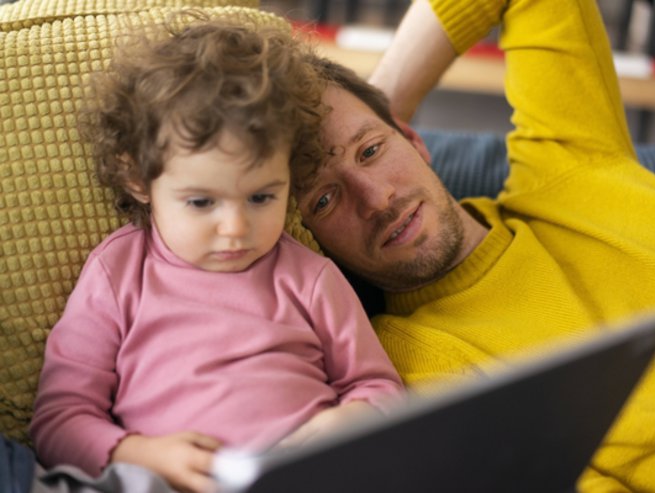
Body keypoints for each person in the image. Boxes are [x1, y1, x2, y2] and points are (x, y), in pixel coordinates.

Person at [292, 0, 655, 491]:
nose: (377, 199)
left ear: (412, 138)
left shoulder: (565, 162)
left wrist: (383, 96)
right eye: (326, 199)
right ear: (310, 238)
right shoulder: (413, 364)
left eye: (372, 150)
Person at [29, 17, 403, 493]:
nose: (236, 228)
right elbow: (59, 418)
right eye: (202, 202)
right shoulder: (117, 274)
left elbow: (381, 389)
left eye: (262, 197)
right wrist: (137, 452)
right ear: (138, 180)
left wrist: (352, 418)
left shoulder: (310, 277)